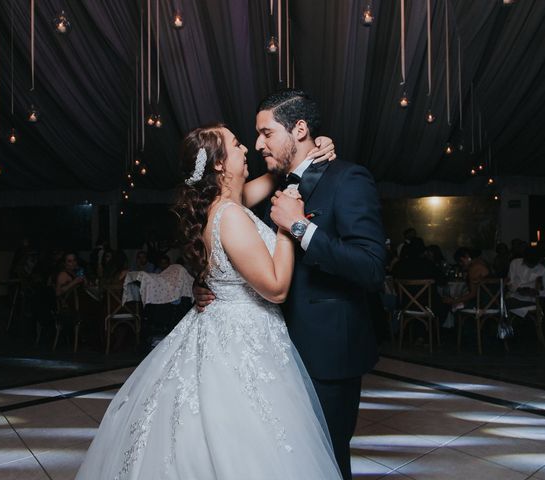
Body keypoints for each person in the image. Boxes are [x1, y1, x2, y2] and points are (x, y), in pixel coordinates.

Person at [75, 124, 342, 479]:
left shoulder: (230, 204)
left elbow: (277, 175)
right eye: (235, 144)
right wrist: (286, 228)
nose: (246, 147)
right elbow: (276, 288)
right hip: (242, 338)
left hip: (235, 328)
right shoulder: (230, 215)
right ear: (219, 164)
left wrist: (311, 148)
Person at [195, 89, 385, 479]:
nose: (257, 143)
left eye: (266, 133)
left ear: (299, 129)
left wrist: (301, 227)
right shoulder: (263, 192)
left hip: (327, 353)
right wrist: (208, 285)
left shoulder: (348, 179)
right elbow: (232, 247)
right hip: (268, 354)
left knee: (327, 463)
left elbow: (370, 267)